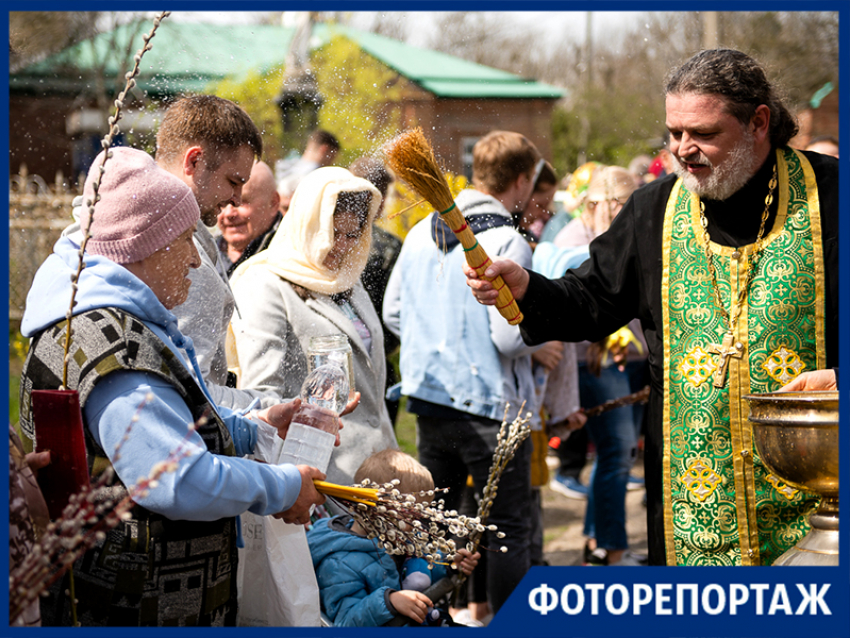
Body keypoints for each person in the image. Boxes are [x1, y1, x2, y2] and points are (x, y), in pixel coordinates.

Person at [464, 49, 838, 567]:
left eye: (702, 133)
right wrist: (528, 286)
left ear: (758, 122)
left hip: (822, 495)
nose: (683, 150)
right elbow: (590, 298)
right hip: (692, 494)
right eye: (674, 133)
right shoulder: (654, 208)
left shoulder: (831, 197)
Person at [18, 148, 327, 625]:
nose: (194, 261)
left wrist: (252, 427)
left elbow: (166, 426)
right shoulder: (118, 351)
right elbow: (177, 479)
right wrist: (283, 487)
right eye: (184, 241)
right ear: (143, 245)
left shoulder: (109, 323)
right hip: (136, 606)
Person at [383, 130, 541, 612]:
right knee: (507, 528)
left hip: (430, 399)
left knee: (442, 523)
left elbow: (393, 313)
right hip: (491, 407)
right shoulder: (506, 238)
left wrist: (437, 340)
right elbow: (510, 335)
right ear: (521, 180)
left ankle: (436, 619)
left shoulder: (417, 233)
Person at [229, 166, 398, 485]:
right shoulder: (264, 284)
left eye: (353, 235)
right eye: (333, 233)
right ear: (308, 224)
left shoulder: (346, 280)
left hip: (375, 467)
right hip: (318, 475)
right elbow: (262, 396)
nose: (343, 246)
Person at [306, 448, 479, 627]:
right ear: (370, 509)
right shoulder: (340, 563)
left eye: (419, 516)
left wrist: (448, 565)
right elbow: (345, 623)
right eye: (410, 517)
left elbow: (416, 573)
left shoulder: (400, 538)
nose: (417, 525)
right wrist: (389, 602)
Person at [349, 156, 403, 424]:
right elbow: (398, 314)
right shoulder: (390, 247)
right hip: (377, 366)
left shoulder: (326, 239)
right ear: (379, 200)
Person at [216, 160, 283, 277]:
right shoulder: (201, 255)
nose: (229, 213)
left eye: (241, 202)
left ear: (273, 203)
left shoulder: (290, 259)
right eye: (222, 202)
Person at [276, 129, 341, 194]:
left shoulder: (285, 167)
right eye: (332, 157)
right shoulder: (318, 175)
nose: (331, 162)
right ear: (324, 149)